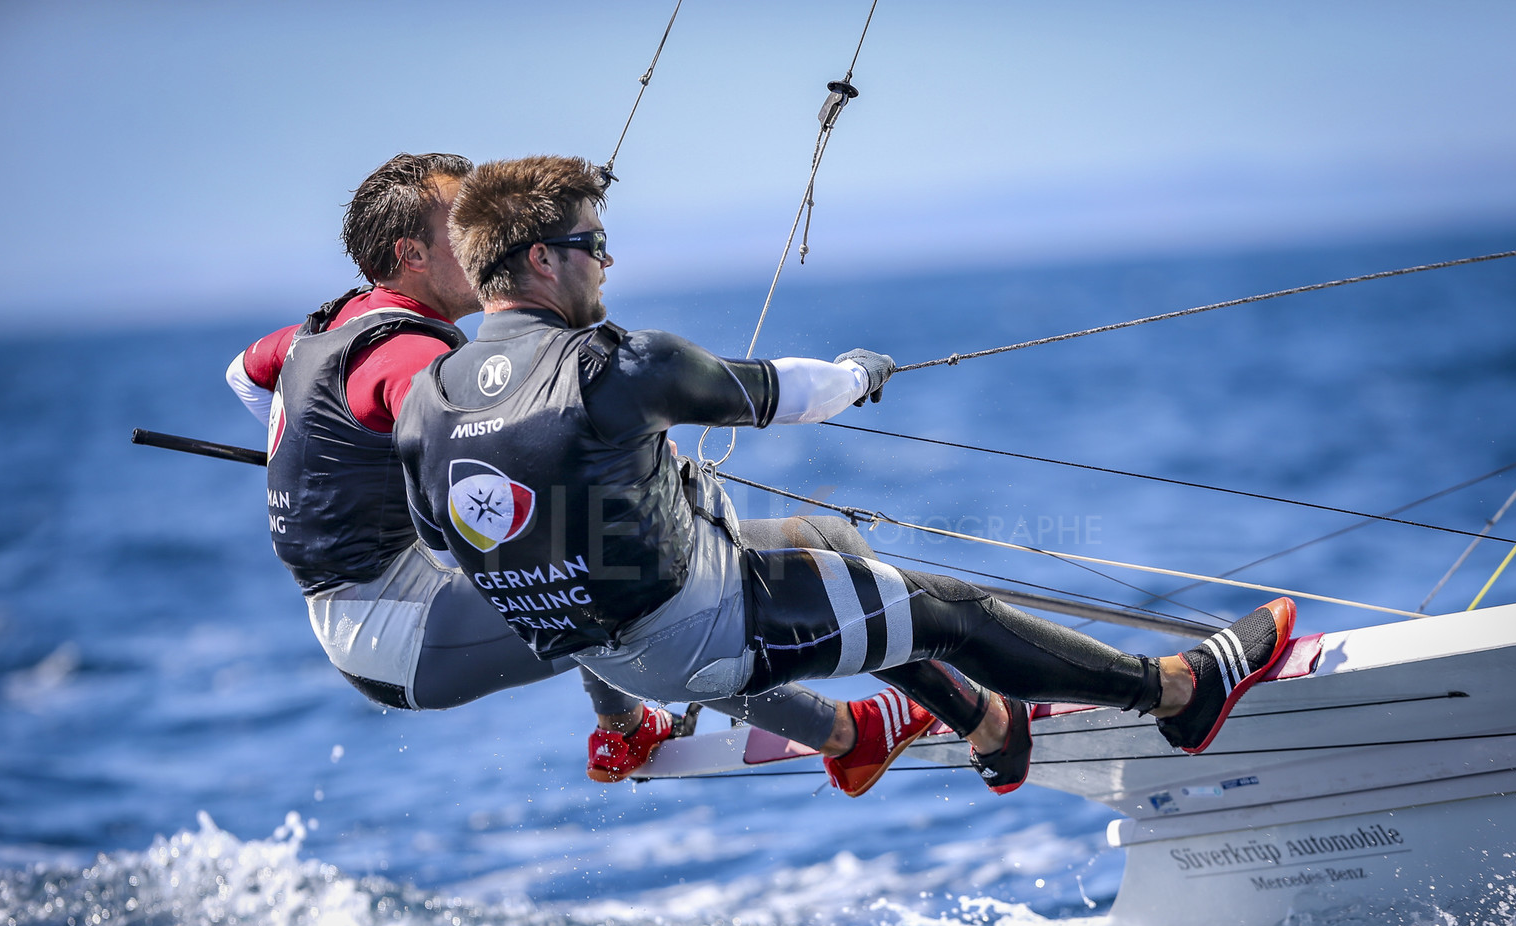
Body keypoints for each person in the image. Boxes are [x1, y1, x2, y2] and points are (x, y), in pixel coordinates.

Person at [393, 155, 1298, 788]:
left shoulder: (425, 398)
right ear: (542, 259)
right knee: (951, 612)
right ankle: (1178, 692)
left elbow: (454, 545)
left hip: (613, 653)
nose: (608, 260)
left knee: (828, 547)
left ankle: (991, 729)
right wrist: (864, 372)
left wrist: (602, 521)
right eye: (595, 242)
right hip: (700, 635)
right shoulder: (620, 363)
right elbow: (790, 393)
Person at [225, 152, 996, 791]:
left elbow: (244, 375)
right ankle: (848, 735)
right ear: (412, 256)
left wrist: (335, 459)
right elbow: (467, 438)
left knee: (630, 572)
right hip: (401, 631)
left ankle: (629, 729)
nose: (477, 238)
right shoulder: (419, 357)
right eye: (457, 227)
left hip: (363, 612)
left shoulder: (318, 330)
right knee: (628, 593)